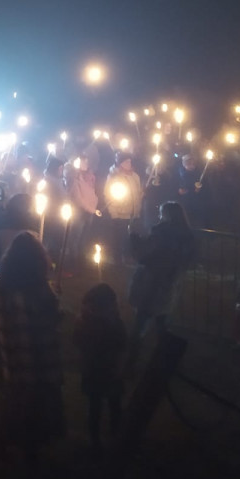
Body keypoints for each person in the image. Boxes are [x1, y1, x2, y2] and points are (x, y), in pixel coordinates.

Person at [0, 231, 65, 465]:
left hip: (11, 356)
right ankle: (27, 449)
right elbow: (33, 327)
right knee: (28, 405)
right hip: (30, 356)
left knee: (16, 402)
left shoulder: (2, 283)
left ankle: (11, 446)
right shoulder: (26, 292)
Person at [125, 202, 196, 373]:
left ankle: (130, 365)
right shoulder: (187, 236)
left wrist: (133, 236)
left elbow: (142, 254)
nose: (159, 217)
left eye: (161, 213)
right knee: (162, 323)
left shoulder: (161, 233)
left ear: (168, 215)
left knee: (140, 325)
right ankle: (166, 363)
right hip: (170, 284)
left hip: (152, 284)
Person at [74, 284, 127, 450]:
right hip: (103, 372)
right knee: (105, 406)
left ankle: (102, 438)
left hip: (99, 372)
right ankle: (106, 438)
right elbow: (122, 348)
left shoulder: (88, 324)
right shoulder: (113, 324)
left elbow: (77, 344)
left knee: (102, 407)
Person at [104, 153, 143, 265]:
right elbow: (109, 196)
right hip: (120, 212)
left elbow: (136, 192)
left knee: (129, 236)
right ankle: (117, 258)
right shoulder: (114, 177)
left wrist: (140, 195)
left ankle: (127, 255)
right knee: (119, 236)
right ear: (120, 164)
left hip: (132, 211)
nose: (129, 164)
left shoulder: (134, 176)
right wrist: (113, 213)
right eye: (126, 162)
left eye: (130, 161)